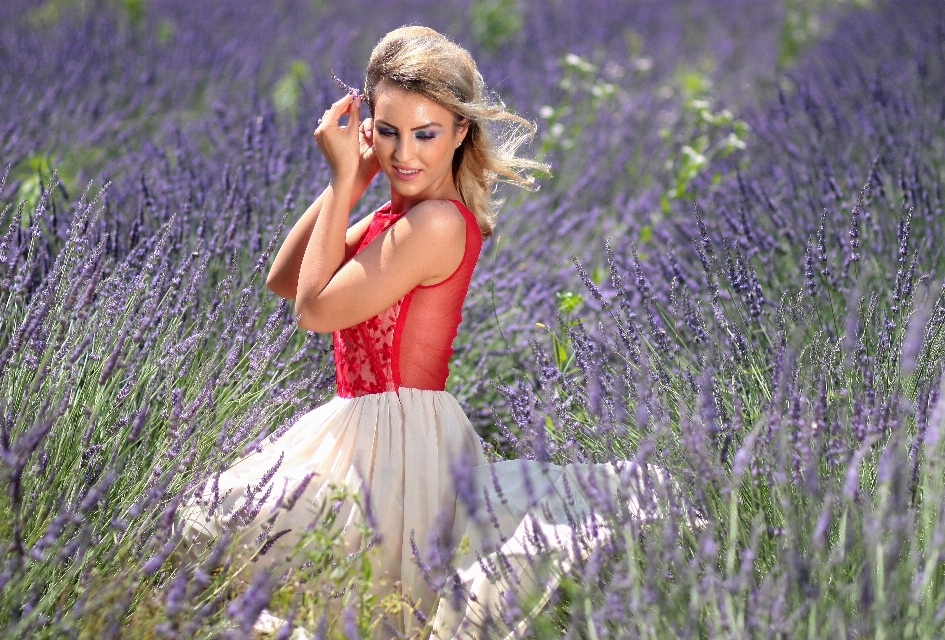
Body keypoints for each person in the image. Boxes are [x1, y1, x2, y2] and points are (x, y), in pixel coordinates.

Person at [173, 25, 659, 639]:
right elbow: (287, 278)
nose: (405, 153)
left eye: (426, 134)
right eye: (388, 131)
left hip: (398, 448)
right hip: (361, 428)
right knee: (239, 546)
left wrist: (345, 180)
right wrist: (353, 178)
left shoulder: (434, 223)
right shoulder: (397, 213)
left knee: (302, 576)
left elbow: (314, 311)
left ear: (460, 133)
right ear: (368, 126)